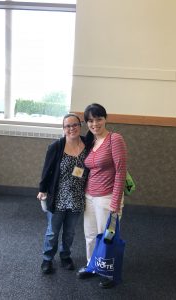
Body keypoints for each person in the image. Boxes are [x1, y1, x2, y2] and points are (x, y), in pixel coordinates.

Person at [76, 103, 127, 289]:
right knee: (90, 235)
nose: (94, 123)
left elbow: (121, 171)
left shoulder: (115, 139)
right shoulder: (90, 141)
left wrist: (115, 202)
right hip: (89, 196)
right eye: (90, 120)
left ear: (105, 119)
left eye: (98, 119)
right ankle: (92, 266)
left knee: (107, 237)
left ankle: (108, 272)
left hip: (108, 197)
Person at [37, 113, 88, 274]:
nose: (71, 128)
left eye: (74, 125)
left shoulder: (88, 143)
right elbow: (47, 170)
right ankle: (47, 258)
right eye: (67, 126)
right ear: (63, 128)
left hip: (77, 196)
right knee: (53, 231)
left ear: (80, 126)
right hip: (58, 196)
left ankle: (65, 255)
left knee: (70, 232)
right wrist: (42, 189)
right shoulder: (56, 146)